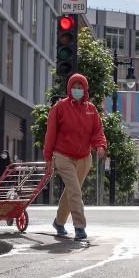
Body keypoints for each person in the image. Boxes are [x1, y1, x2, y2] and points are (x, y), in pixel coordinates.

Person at [43, 73, 107, 240]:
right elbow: (50, 134)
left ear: (85, 89)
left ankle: (58, 222)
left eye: (80, 87)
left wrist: (100, 145)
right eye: (74, 86)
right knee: (75, 191)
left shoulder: (91, 109)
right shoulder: (60, 107)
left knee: (71, 191)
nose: (77, 90)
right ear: (69, 88)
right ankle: (80, 227)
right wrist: (48, 158)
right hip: (63, 155)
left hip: (84, 158)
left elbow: (97, 131)